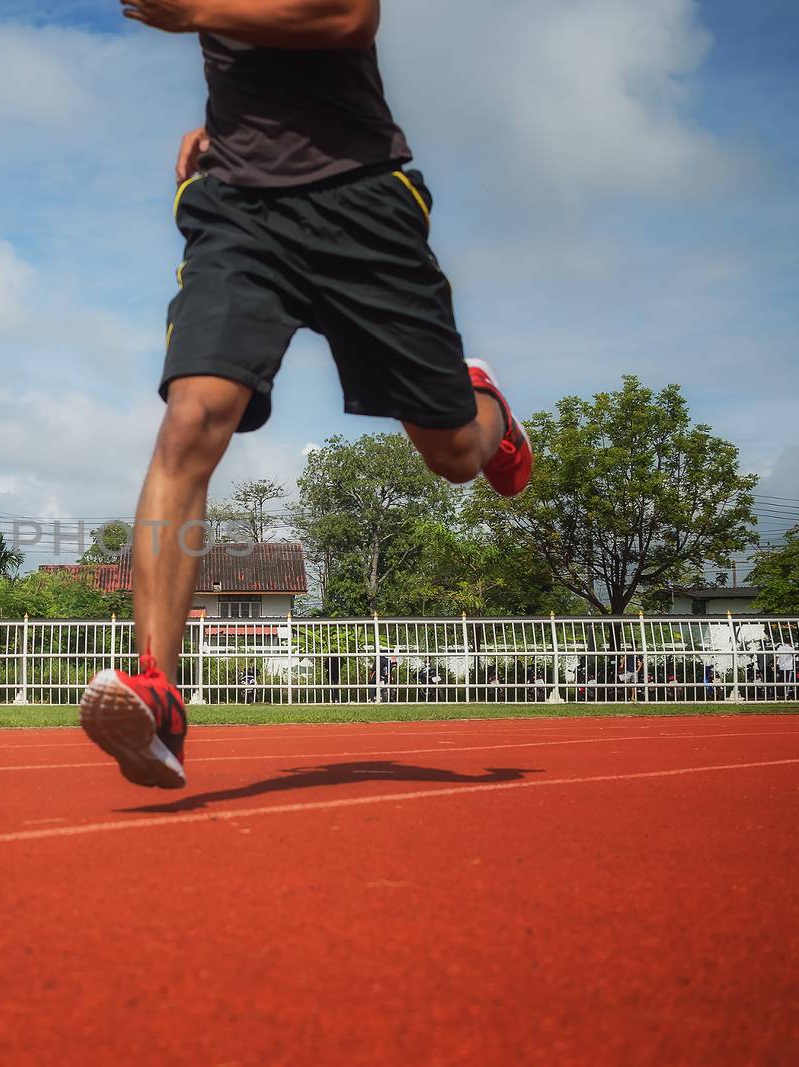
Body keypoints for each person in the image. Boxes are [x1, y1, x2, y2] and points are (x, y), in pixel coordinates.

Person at [80, 0, 535, 788]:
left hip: (360, 201)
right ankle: (157, 691)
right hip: (239, 214)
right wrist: (222, 130)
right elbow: (243, 59)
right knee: (190, 422)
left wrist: (193, 12)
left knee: (454, 454)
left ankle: (486, 409)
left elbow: (349, 16)